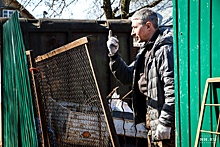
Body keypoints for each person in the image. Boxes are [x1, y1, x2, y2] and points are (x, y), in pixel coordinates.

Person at [106, 8, 175, 147]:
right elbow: (127, 77)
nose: (132, 33)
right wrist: (114, 55)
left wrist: (165, 122)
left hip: (164, 120)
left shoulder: (164, 49)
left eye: (135, 27)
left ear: (148, 26)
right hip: (153, 117)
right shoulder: (145, 51)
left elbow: (172, 88)